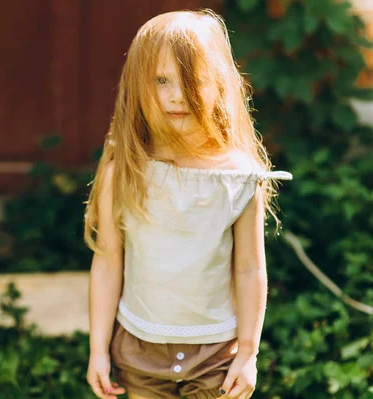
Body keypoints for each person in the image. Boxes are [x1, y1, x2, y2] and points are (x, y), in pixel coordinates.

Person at [83, 9, 292, 399]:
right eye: (161, 80)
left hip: (215, 356)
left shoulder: (237, 176)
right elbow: (109, 260)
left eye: (191, 80)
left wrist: (248, 353)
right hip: (138, 352)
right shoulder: (126, 170)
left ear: (220, 84)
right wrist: (98, 350)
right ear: (138, 85)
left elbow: (249, 269)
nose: (177, 96)